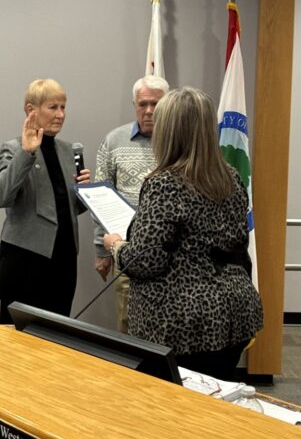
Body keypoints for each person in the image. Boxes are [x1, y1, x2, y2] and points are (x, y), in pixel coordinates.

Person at [102, 87, 264, 379]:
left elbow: (145, 261)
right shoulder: (232, 177)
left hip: (183, 325)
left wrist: (116, 246)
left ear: (168, 131)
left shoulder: (164, 184)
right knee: (216, 401)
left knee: (179, 415)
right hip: (234, 315)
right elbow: (237, 241)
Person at [0, 78, 91, 323]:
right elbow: (0, 196)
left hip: (64, 261)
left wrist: (84, 195)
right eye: (53, 107)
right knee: (19, 343)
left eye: (63, 107)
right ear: (30, 110)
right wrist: (26, 153)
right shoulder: (14, 148)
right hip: (25, 262)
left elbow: (62, 210)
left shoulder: (69, 151)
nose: (60, 114)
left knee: (57, 337)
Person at [93, 75, 169, 332]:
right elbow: (100, 197)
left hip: (170, 252)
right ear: (134, 104)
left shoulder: (177, 142)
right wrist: (101, 250)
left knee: (166, 322)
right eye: (142, 104)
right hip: (125, 247)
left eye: (156, 104)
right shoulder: (114, 141)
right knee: (127, 321)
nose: (149, 111)